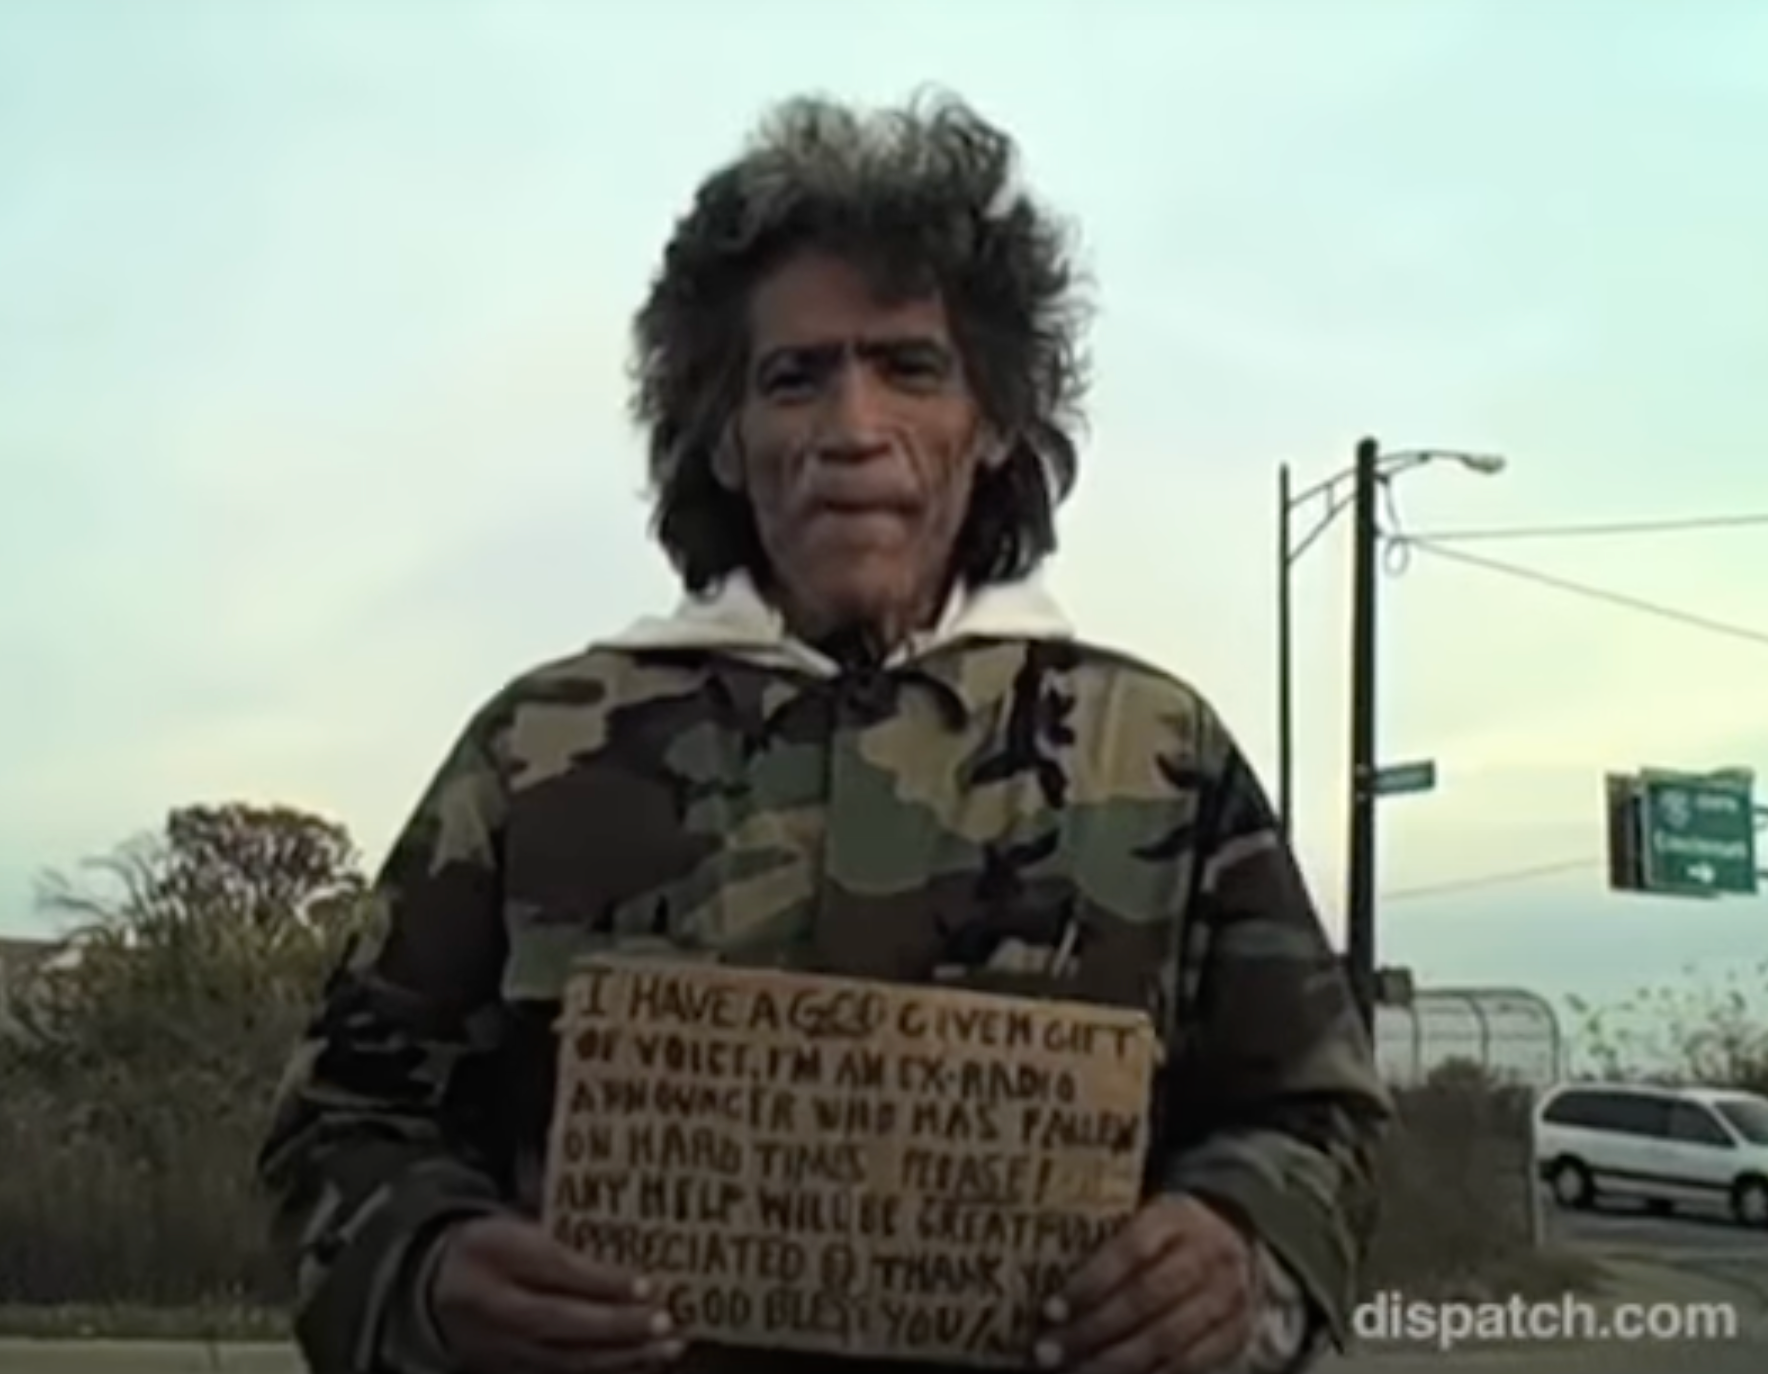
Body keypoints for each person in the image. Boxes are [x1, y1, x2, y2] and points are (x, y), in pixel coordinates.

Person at [258, 92, 1392, 1374]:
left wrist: (1239, 1253)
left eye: (911, 367)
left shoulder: (1159, 754)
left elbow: (1318, 1116)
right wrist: (428, 1271)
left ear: (997, 421)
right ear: (727, 440)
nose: (853, 431)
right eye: (794, 377)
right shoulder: (539, 751)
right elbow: (339, 1122)